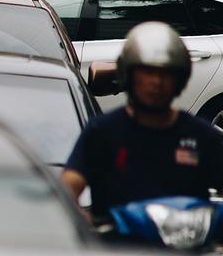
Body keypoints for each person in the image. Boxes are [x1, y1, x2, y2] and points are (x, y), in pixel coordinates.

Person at [62, 22, 223, 218]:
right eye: (147, 72)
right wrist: (84, 222)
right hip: (116, 245)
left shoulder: (201, 136)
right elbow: (68, 189)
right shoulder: (103, 132)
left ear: (179, 79)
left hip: (184, 246)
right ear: (128, 75)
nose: (156, 82)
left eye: (166, 73)